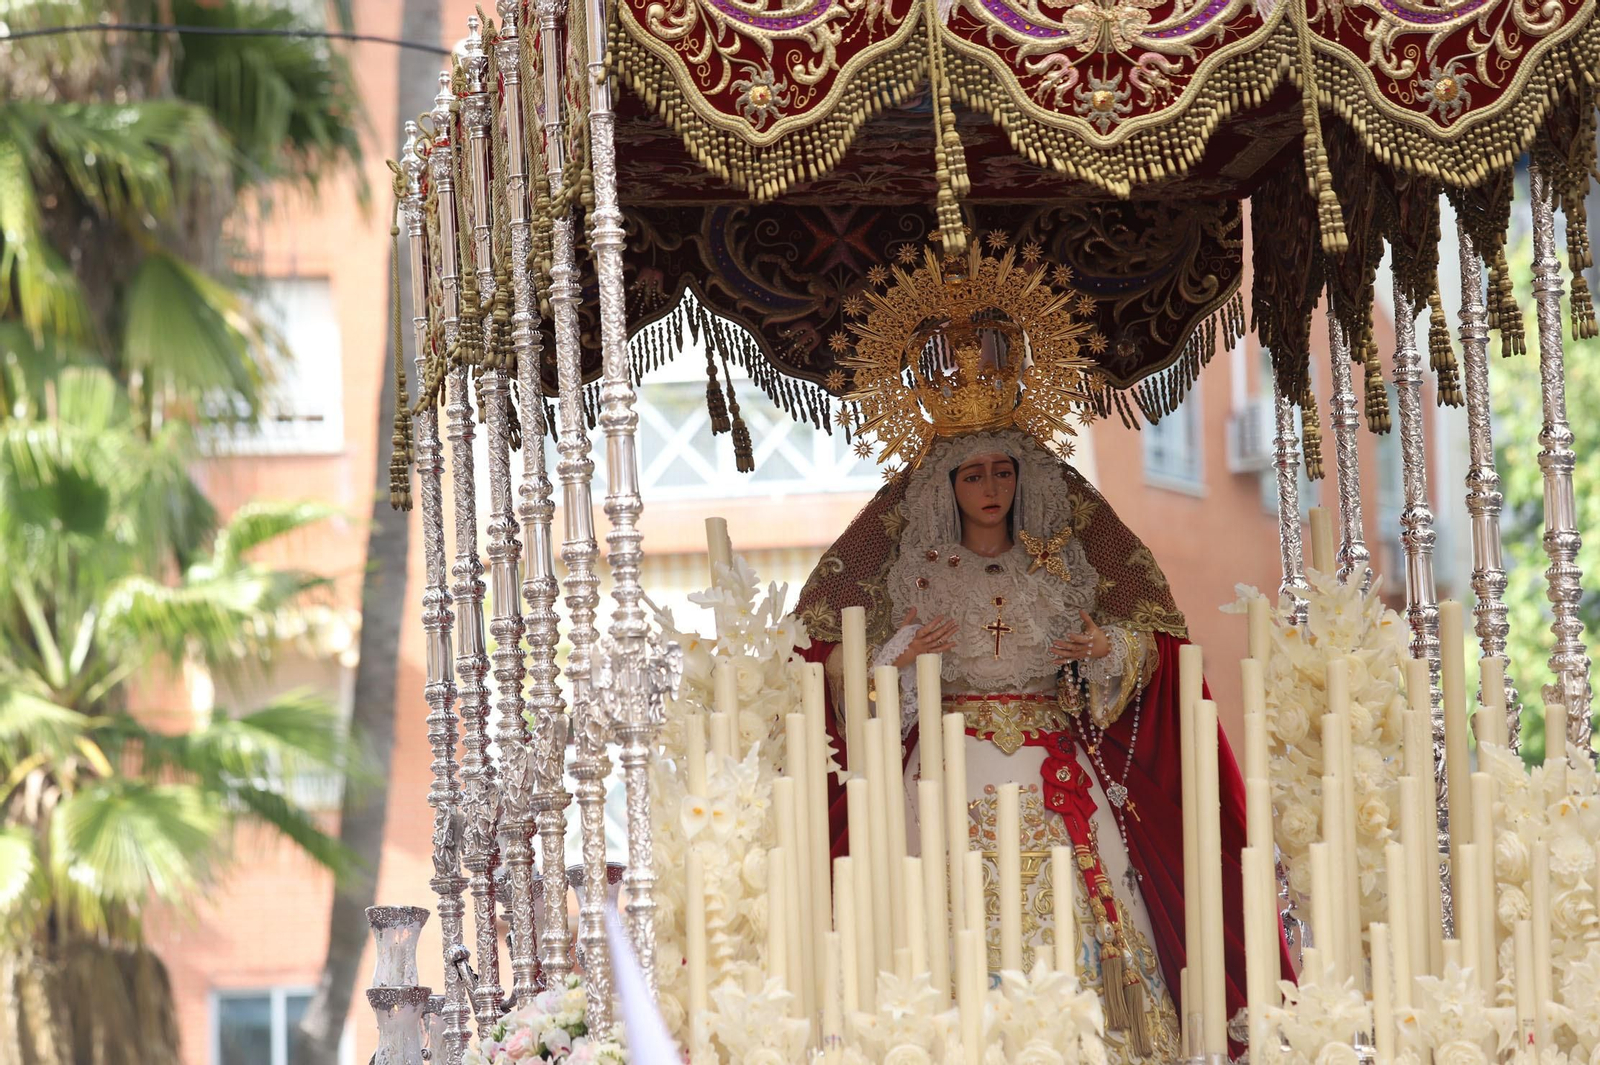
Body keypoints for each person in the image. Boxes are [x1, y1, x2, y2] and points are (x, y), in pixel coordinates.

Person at [794, 425, 1275, 1063]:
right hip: (947, 766)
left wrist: (1106, 650)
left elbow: (1143, 645)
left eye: (1002, 471)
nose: (990, 488)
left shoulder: (1059, 568)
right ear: (947, 488)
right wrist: (899, 658)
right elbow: (854, 684)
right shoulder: (918, 576)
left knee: (1082, 901)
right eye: (972, 475)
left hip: (1056, 768)